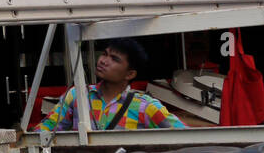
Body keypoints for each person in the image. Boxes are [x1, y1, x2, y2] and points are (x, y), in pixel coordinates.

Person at [36, 38, 186, 131]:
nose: (103, 61)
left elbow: (187, 137)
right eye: (104, 54)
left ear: (130, 74)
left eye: (114, 59)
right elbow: (46, 130)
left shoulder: (145, 106)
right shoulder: (77, 95)